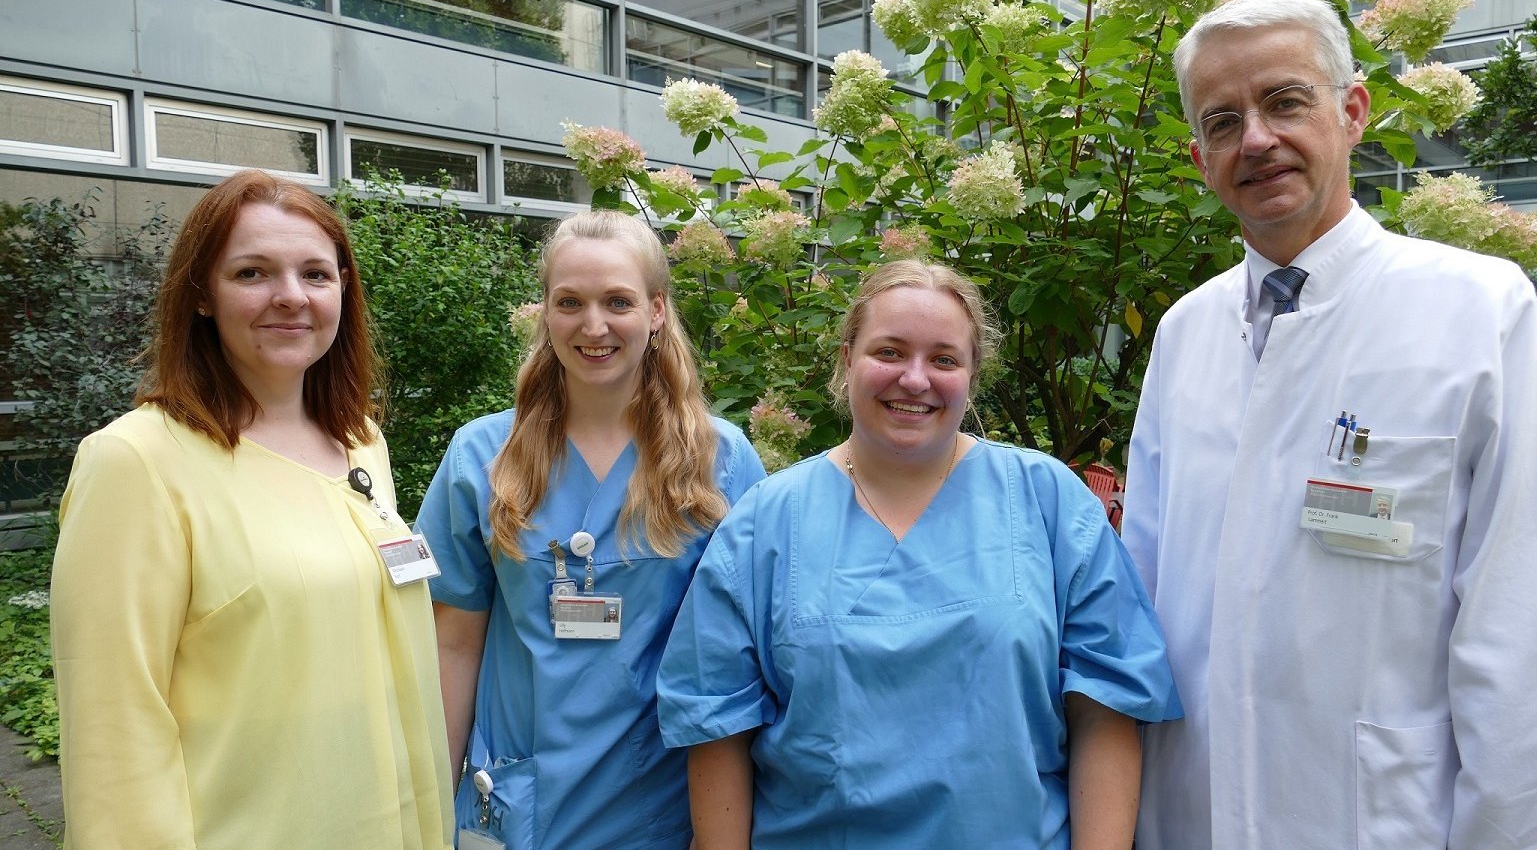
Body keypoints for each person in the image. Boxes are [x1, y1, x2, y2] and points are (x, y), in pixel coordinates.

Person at [1123, 0, 1537, 849]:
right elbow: (1146, 589)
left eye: (1283, 101)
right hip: (1191, 809)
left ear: (1351, 112)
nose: (1257, 140)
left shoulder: (1480, 310)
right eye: (1222, 120)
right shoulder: (1184, 331)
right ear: (1198, 156)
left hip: (1383, 817)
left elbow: (1512, 628)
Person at [657, 260, 1181, 850]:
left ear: (972, 373)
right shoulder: (766, 521)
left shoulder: (1047, 501)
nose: (914, 379)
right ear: (847, 356)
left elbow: (1106, 707)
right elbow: (716, 723)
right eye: (889, 351)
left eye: (943, 359)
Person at [50, 169, 454, 849]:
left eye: (316, 275)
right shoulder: (137, 464)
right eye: (252, 273)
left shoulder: (359, 441)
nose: (290, 297)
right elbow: (112, 729)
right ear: (203, 294)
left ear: (343, 291)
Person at [421, 210, 765, 850]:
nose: (594, 325)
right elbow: (455, 645)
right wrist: (429, 811)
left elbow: (738, 668)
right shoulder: (482, 456)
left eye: (618, 301)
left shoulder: (722, 462)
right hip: (512, 809)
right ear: (545, 314)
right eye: (570, 302)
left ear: (657, 311)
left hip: (657, 813)